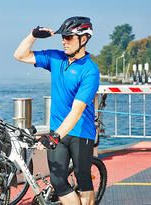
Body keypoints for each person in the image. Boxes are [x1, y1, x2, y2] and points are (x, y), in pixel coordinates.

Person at [13, 16, 100, 205]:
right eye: (63, 37)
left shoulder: (90, 71)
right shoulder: (56, 58)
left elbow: (77, 112)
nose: (63, 41)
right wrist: (33, 35)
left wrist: (54, 137)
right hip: (57, 130)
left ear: (83, 39)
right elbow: (19, 55)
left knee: (83, 178)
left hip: (80, 132)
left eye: (68, 37)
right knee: (58, 181)